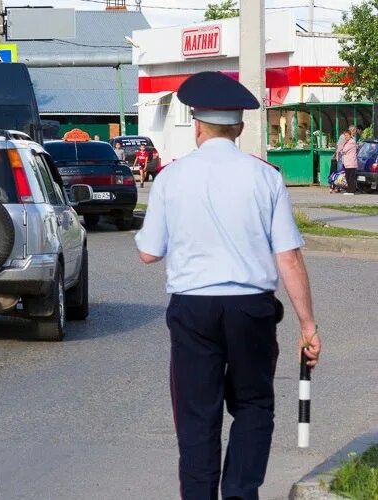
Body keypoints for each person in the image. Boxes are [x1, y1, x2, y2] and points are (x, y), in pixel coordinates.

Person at [134, 71, 321, 500]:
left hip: (193, 310)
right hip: (251, 309)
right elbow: (288, 256)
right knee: (254, 406)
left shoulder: (171, 178)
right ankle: (240, 492)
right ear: (238, 127)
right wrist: (308, 325)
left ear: (197, 124)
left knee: (197, 417)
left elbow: (148, 252)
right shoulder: (265, 177)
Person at [339, 130, 359, 195]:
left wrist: (342, 146)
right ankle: (350, 190)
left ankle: (351, 191)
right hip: (348, 163)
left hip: (351, 162)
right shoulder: (348, 142)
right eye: (345, 135)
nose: (345, 137)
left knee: (350, 177)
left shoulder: (351, 142)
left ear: (350, 135)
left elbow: (343, 150)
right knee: (348, 177)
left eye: (347, 135)